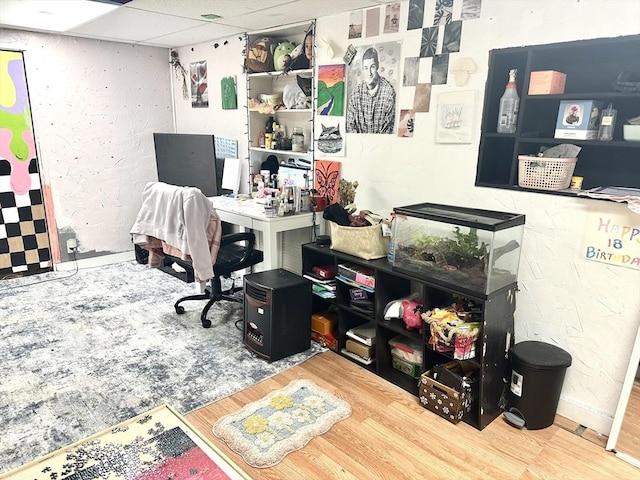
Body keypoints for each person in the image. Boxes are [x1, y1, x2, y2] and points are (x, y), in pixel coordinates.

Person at [346, 47, 396, 134]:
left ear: (377, 66)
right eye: (365, 68)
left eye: (372, 67)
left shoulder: (389, 92)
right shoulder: (355, 94)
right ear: (362, 69)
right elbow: (350, 126)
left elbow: (387, 131)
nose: (369, 73)